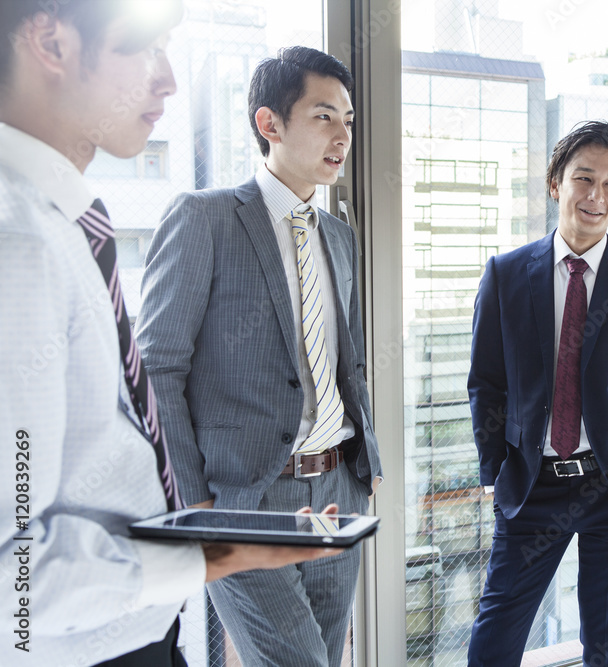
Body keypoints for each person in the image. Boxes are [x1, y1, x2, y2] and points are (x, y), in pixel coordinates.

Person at [0, 2, 346, 666]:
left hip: (136, 621)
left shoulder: (62, 225)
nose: (167, 82)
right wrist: (205, 543)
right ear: (50, 42)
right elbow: (13, 573)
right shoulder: (18, 244)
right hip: (79, 644)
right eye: (145, 49)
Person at [136, 45, 382, 667]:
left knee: (326, 656)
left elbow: (342, 362)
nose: (342, 135)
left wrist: (365, 458)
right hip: (245, 499)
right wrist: (196, 507)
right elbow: (157, 368)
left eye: (349, 120)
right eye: (325, 116)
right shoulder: (205, 219)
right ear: (269, 124)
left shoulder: (338, 235)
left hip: (337, 487)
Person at [466, 120, 608, 667]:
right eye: (583, 178)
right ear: (555, 183)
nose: (596, 195)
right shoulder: (507, 275)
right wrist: (494, 470)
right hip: (531, 484)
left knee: (607, 647)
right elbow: (486, 383)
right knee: (495, 639)